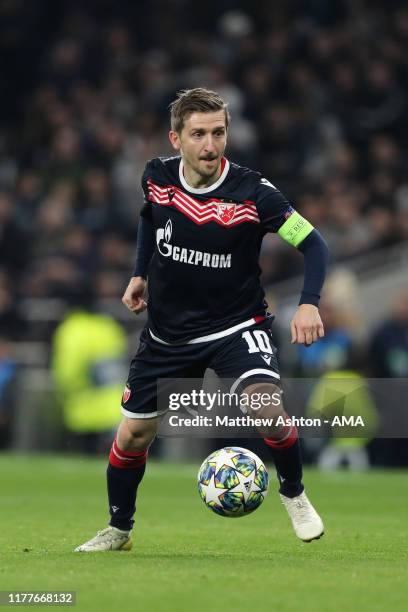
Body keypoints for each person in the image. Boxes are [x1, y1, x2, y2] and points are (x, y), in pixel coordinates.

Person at [75, 88, 329, 552]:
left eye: (218, 133)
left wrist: (310, 302)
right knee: (133, 435)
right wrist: (139, 274)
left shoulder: (254, 192)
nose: (211, 145)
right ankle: (119, 528)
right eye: (198, 135)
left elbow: (314, 244)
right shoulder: (156, 177)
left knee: (265, 407)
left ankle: (294, 494)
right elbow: (150, 221)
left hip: (236, 327)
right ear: (177, 139)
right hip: (168, 335)